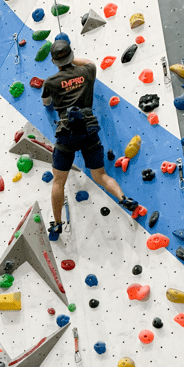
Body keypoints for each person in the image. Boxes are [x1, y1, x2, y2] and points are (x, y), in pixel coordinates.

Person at [41, 39, 144, 231]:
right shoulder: (87, 72)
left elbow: (46, 103)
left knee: (58, 181)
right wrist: (71, 61)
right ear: (72, 55)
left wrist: (62, 69)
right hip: (89, 129)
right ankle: (124, 198)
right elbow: (89, 62)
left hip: (66, 132)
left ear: (54, 61)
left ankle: (57, 224)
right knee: (100, 175)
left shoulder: (50, 82)